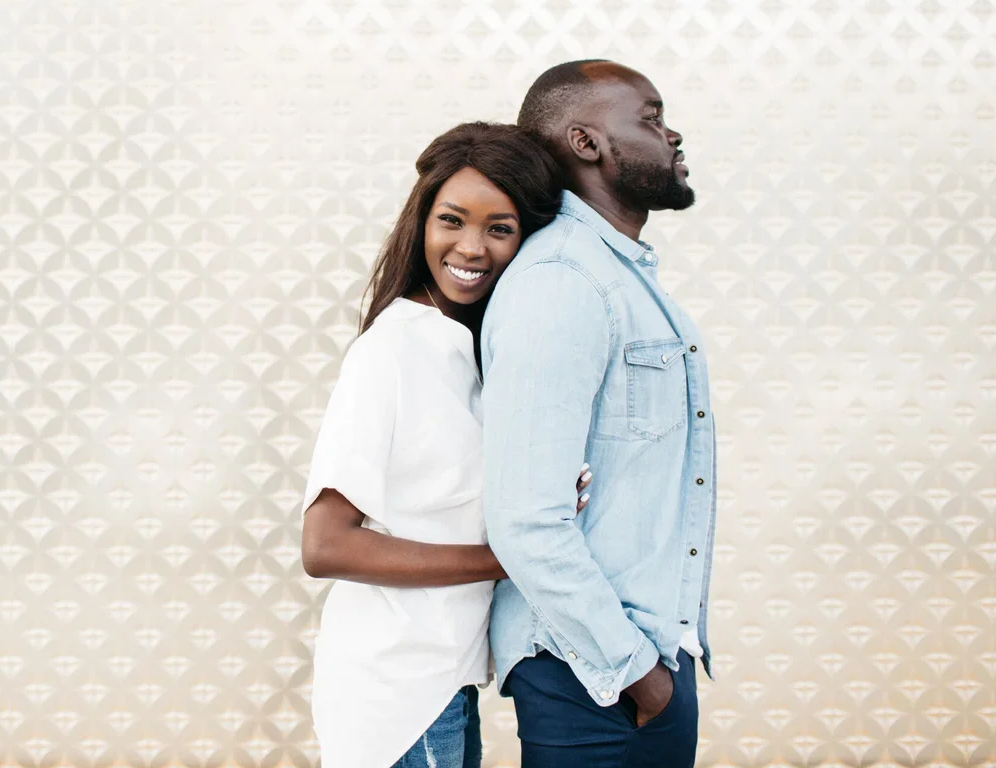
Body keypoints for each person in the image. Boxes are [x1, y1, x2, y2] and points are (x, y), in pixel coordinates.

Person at [300, 122, 591, 768]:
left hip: (445, 681)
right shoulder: (392, 349)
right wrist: (510, 557)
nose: (471, 247)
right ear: (422, 223)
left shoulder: (471, 353)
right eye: (452, 220)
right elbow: (326, 544)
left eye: (500, 228)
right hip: (396, 691)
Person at [481, 60, 716, 768]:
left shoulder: (618, 276)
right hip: (592, 674)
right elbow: (525, 518)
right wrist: (638, 677)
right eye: (649, 117)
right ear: (586, 143)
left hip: (638, 660)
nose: (672, 134)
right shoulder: (564, 282)